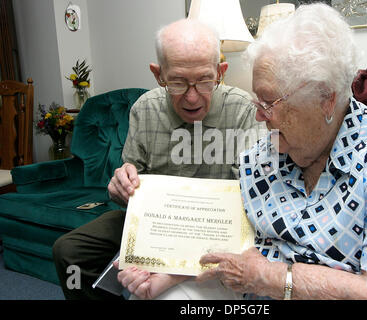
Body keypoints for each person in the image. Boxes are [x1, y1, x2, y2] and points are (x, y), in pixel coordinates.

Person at [195, 3, 367, 300]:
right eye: (257, 102)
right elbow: (225, 239)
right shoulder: (261, 157)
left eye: (268, 103)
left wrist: (268, 276)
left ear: (326, 100)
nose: (259, 117)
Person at [52, 18, 265, 300]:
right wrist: (120, 186)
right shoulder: (145, 108)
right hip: (156, 223)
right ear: (158, 74)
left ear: (220, 72)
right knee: (68, 250)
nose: (191, 97)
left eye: (204, 81)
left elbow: (258, 198)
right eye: (177, 82)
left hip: (216, 230)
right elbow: (129, 186)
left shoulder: (244, 111)